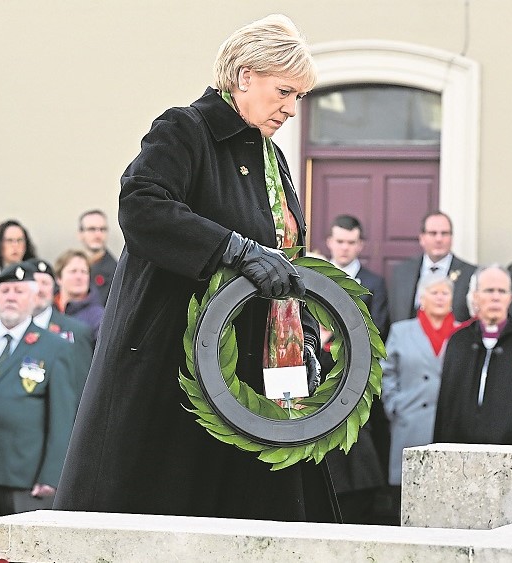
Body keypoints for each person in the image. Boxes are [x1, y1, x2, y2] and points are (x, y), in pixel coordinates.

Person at [54, 14, 336, 522]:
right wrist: (235, 250)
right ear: (244, 76)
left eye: (299, 96)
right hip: (175, 371)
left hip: (260, 377)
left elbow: (288, 261)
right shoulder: (185, 129)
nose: (292, 108)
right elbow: (142, 205)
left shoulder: (273, 160)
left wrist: (308, 340)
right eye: (284, 91)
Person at [0, 262, 77, 525]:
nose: (11, 297)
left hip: (24, 472)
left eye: (19, 291)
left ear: (35, 298)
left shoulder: (55, 347)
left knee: (22, 545)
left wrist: (52, 475)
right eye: (5, 291)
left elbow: (61, 417)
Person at [433, 265, 512, 446]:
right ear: (475, 296)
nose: (495, 297)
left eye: (502, 291)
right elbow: (448, 407)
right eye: (489, 291)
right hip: (464, 449)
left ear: (510, 298)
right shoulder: (459, 342)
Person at [322, 214, 390, 524]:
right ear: (329, 242)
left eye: (351, 242)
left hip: (356, 375)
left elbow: (378, 329)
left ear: (360, 245)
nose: (345, 248)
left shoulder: (375, 284)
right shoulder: (314, 276)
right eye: (340, 241)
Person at [382, 274, 463, 490]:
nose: (440, 297)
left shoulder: (463, 333)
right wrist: (394, 405)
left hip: (452, 425)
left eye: (445, 293)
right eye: (434, 292)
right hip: (410, 421)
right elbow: (386, 371)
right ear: (421, 298)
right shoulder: (401, 331)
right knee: (410, 489)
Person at [389, 211, 476, 324]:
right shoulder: (401, 272)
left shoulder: (470, 274)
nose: (439, 239)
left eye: (444, 233)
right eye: (433, 233)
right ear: (422, 238)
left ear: (451, 238)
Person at [25, 258, 94, 395]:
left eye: (45, 283)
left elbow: (81, 385)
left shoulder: (77, 331)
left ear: (54, 287)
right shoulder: (10, 330)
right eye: (35, 283)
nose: (40, 289)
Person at [53, 250, 105, 337]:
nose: (79, 277)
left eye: (84, 272)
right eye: (73, 271)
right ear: (59, 278)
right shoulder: (46, 310)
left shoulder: (98, 316)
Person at [77, 210, 117, 307]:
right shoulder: (71, 265)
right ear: (80, 234)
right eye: (92, 229)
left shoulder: (116, 271)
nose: (98, 235)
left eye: (102, 229)